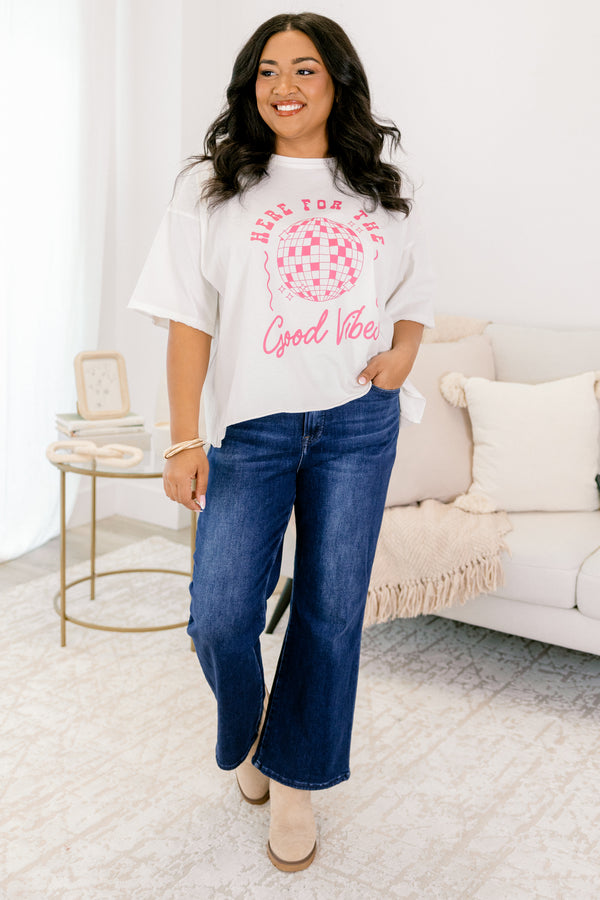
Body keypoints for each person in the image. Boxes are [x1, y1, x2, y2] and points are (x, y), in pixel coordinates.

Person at [129, 11, 435, 872]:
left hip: (356, 424)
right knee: (220, 614)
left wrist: (403, 354)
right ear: (249, 85)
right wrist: (181, 438)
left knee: (332, 615)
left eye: (304, 69)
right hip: (249, 431)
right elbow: (188, 322)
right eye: (267, 71)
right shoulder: (212, 187)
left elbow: (414, 297)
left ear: (338, 82)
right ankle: (258, 729)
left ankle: (295, 786)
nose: (284, 86)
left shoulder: (378, 186)